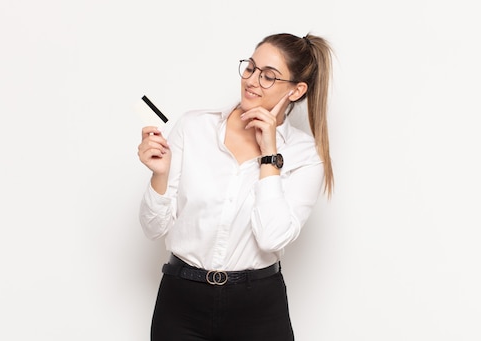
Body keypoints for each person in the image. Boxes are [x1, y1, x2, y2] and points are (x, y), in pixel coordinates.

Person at [137, 32, 334, 341]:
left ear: (296, 90)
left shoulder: (305, 155)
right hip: (182, 301)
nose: (252, 80)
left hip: (259, 308)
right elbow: (152, 228)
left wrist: (269, 155)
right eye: (251, 68)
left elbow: (272, 237)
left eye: (269, 76)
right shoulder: (193, 127)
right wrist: (159, 175)